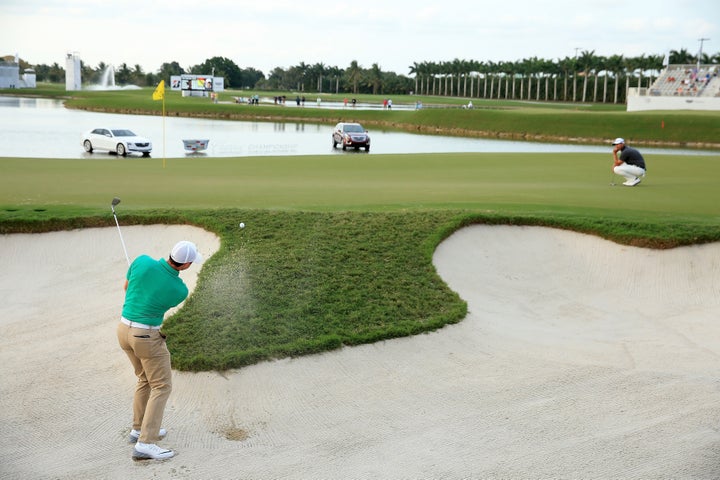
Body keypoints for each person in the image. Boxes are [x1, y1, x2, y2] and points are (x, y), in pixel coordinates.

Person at [117, 240, 203, 460]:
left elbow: (127, 288)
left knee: (144, 379)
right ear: (185, 266)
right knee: (161, 386)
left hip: (123, 330)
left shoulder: (141, 261)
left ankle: (138, 429)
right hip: (145, 337)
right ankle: (146, 442)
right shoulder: (179, 290)